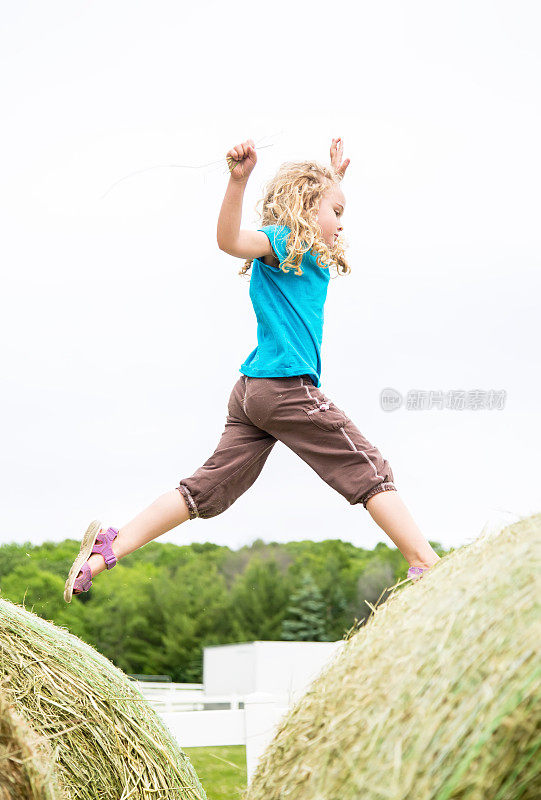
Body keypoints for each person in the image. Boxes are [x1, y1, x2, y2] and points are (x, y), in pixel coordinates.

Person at [64, 137, 440, 603]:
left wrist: (333, 178)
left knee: (205, 490)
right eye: (337, 212)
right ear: (305, 206)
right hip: (285, 389)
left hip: (252, 394)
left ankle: (106, 550)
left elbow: (318, 205)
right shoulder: (283, 242)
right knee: (367, 468)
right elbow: (230, 241)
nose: (342, 225)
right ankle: (427, 563)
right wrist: (237, 181)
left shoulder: (304, 249)